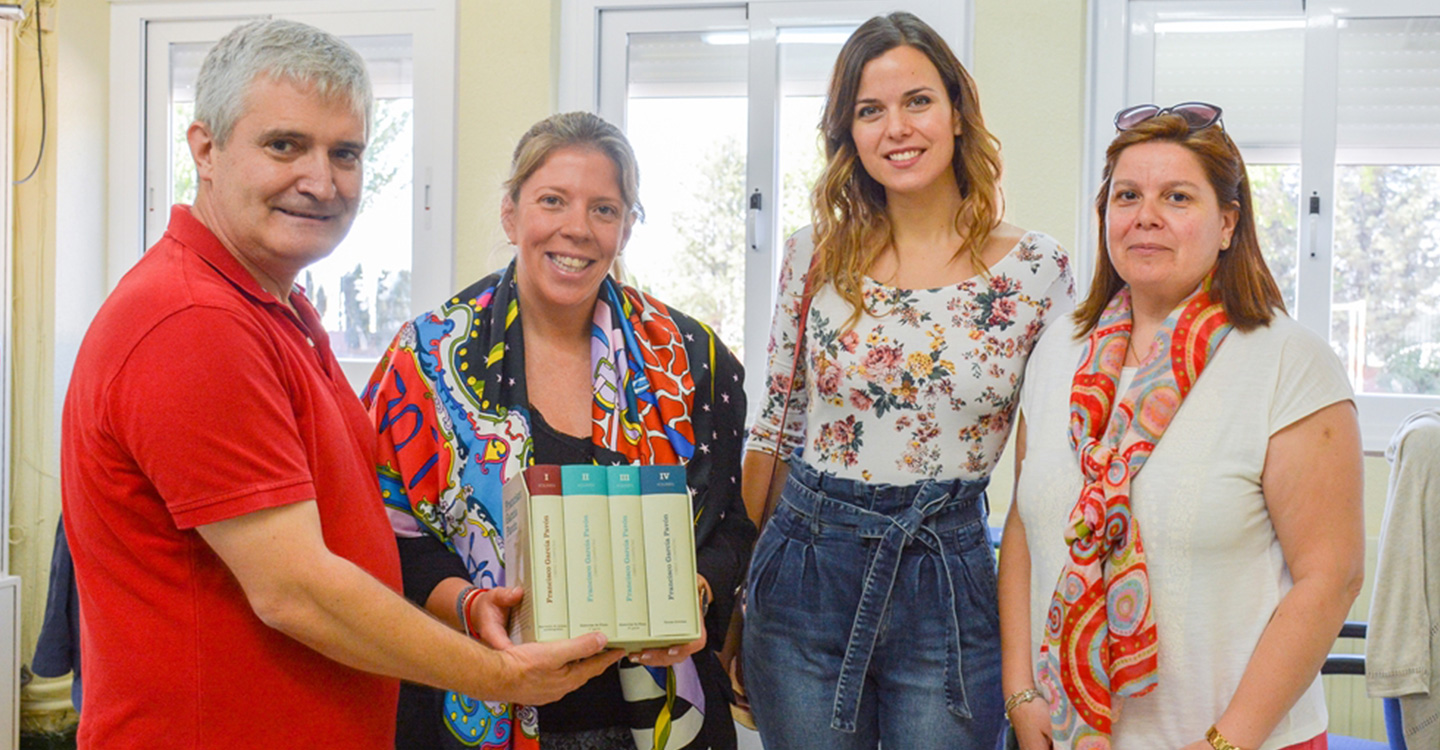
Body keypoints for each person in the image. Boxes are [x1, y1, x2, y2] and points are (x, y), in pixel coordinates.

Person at [60, 20, 621, 749]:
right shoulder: (193, 322)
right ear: (204, 149)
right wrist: (504, 679)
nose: (321, 181)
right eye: (284, 145)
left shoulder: (274, 306)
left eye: (345, 153)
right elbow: (296, 591)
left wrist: (464, 606)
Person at [364, 111, 754, 750]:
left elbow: (731, 526)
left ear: (626, 228)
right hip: (480, 705)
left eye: (604, 209)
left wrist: (692, 594)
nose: (577, 228)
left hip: (655, 716)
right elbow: (387, 532)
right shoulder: (426, 360)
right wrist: (468, 604)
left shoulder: (693, 362)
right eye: (553, 200)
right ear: (511, 213)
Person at [740, 12, 1073, 750]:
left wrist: (1034, 660)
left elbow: (1046, 475)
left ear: (958, 111)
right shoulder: (812, 256)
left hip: (948, 580)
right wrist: (738, 596)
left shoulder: (1036, 271)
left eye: (917, 101)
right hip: (803, 573)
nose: (897, 127)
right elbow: (777, 425)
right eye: (870, 110)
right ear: (848, 135)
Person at [997, 102, 1365, 750]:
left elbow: (1330, 577)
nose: (1146, 216)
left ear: (1228, 222)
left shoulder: (1290, 362)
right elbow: (1027, 524)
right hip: (1068, 733)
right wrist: (1021, 694)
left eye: (1177, 197)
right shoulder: (1058, 348)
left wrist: (1227, 741)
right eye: (1127, 195)